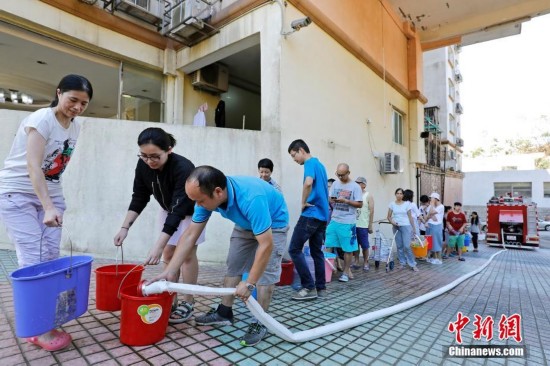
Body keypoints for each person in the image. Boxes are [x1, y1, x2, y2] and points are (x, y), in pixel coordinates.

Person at [0, 75, 93, 351]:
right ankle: (38, 329)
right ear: (59, 93)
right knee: (34, 260)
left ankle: (44, 319)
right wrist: (49, 206)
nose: (77, 107)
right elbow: (33, 167)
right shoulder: (42, 119)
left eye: (84, 103)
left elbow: (56, 169)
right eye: (72, 99)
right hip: (17, 193)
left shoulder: (75, 127)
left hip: (50, 196)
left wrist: (54, 203)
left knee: (50, 259)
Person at [148, 166, 289, 347]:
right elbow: (190, 235)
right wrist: (170, 270)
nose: (197, 205)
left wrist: (249, 282)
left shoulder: (251, 198)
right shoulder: (206, 196)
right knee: (233, 267)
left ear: (218, 192)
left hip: (274, 224)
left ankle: (260, 322)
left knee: (265, 276)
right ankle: (224, 312)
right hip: (244, 224)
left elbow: (266, 244)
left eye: (200, 201)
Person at [113, 127, 205, 324]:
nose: (149, 161)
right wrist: (124, 227)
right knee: (168, 256)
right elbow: (139, 196)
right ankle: (170, 295)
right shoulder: (143, 165)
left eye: (155, 156)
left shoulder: (183, 167)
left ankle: (188, 301)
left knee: (187, 256)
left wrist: (158, 244)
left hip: (190, 212)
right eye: (144, 156)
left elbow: (179, 211)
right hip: (168, 210)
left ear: (168, 150)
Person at [287, 139, 329, 300]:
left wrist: (303, 202)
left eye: (293, 155)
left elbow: (308, 183)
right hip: (322, 216)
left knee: (294, 249)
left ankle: (308, 286)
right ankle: (321, 289)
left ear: (301, 150)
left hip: (311, 214)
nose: (294, 159)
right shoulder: (321, 165)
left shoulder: (309, 163)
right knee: (317, 252)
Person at [325, 163, 363, 282]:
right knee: (328, 245)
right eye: (338, 174)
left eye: (342, 175)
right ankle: (327, 270)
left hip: (348, 222)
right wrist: (332, 199)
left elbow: (360, 204)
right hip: (334, 219)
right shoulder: (335, 184)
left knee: (348, 249)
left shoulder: (355, 187)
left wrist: (346, 201)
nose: (340, 177)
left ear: (348, 173)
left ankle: (346, 272)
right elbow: (330, 198)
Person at [387, 188, 418, 272]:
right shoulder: (392, 204)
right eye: (397, 193)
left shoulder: (407, 204)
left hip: (406, 226)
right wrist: (392, 222)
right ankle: (402, 263)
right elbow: (389, 216)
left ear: (403, 195)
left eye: (401, 193)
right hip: (396, 226)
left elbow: (410, 217)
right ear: (395, 194)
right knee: (399, 246)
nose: (399, 195)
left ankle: (412, 264)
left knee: (407, 246)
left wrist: (414, 228)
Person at [353, 176, 374, 272]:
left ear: (364, 185)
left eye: (358, 183)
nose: (356, 184)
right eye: (355, 182)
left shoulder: (368, 195)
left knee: (365, 245)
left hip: (363, 225)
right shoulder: (353, 194)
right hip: (353, 224)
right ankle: (356, 260)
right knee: (354, 245)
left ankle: (366, 261)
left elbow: (371, 211)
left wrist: (370, 225)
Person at [426, 192, 444, 264]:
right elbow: (428, 215)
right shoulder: (432, 206)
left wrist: (432, 205)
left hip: (437, 226)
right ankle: (433, 257)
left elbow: (431, 213)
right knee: (430, 242)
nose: (431, 200)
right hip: (430, 225)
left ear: (436, 199)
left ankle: (439, 258)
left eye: (432, 198)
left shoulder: (441, 206)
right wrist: (430, 214)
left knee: (437, 241)